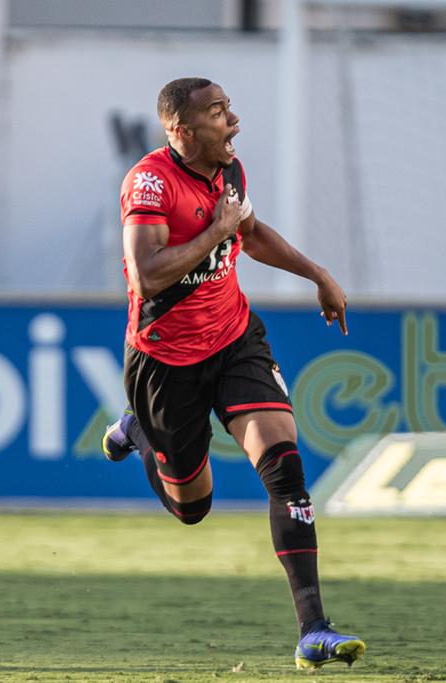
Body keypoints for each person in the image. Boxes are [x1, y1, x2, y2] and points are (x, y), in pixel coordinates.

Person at [104, 77, 365, 669]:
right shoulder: (149, 183)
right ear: (181, 130)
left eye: (229, 109)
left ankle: (313, 631)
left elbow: (250, 234)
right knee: (191, 507)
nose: (234, 121)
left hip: (233, 340)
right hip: (165, 362)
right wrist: (216, 231)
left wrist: (318, 274)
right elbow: (147, 275)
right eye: (219, 112)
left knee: (285, 469)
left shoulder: (230, 171)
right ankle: (141, 430)